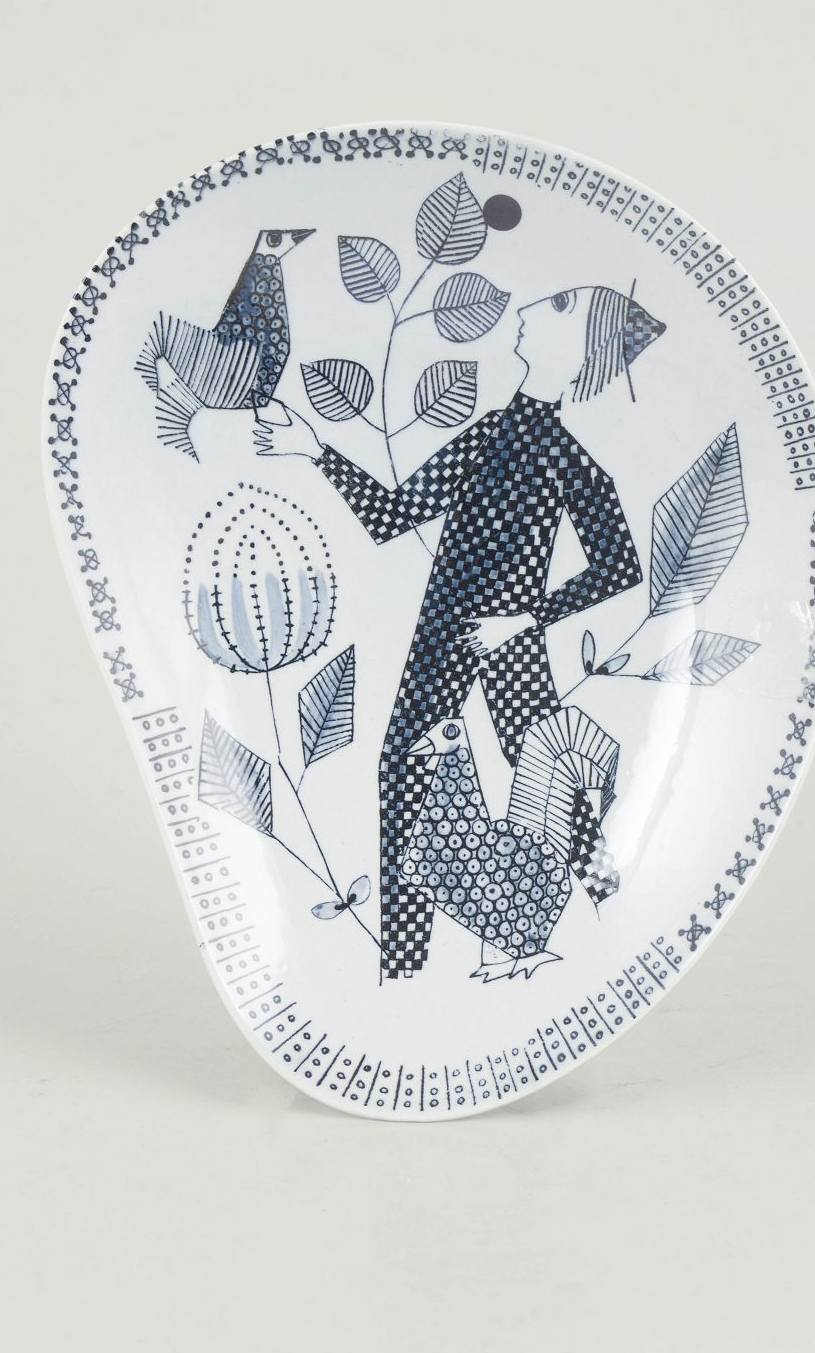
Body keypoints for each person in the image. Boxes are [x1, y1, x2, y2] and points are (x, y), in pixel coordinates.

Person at [255, 284, 665, 979]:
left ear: (583, 355)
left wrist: (527, 619)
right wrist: (316, 451)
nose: (530, 309)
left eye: (560, 308)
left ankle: (614, 922)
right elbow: (392, 516)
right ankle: (405, 965)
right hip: (443, 631)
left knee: (548, 771)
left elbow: (621, 567)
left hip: (508, 640)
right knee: (405, 771)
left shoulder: (566, 458)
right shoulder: (487, 433)